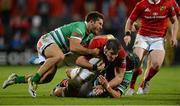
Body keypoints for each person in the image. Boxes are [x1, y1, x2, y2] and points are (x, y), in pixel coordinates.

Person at [2, 11, 104, 97]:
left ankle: (16, 79)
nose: (101, 27)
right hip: (46, 40)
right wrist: (92, 51)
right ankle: (34, 80)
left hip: (55, 49)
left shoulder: (89, 35)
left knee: (46, 78)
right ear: (91, 22)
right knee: (59, 56)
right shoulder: (80, 27)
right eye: (99, 23)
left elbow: (83, 50)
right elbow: (74, 48)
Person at [51, 35, 140, 98]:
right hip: (91, 63)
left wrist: (106, 86)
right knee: (96, 62)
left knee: (82, 92)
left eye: (116, 55)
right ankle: (73, 74)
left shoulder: (121, 58)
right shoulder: (97, 44)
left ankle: (66, 83)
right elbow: (79, 60)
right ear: (105, 49)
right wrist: (94, 67)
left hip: (101, 84)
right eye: (112, 54)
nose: (114, 57)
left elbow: (119, 79)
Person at [124, 0, 179, 95]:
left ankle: (144, 82)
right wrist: (128, 34)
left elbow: (175, 21)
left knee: (157, 64)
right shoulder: (141, 4)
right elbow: (130, 20)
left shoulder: (168, 3)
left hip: (158, 38)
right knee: (136, 63)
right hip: (143, 37)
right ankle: (132, 87)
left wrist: (174, 36)